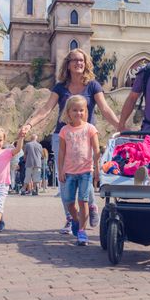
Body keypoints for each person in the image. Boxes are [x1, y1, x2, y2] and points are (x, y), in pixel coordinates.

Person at [21, 48, 119, 233]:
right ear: (68, 64)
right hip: (63, 136)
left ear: (86, 62)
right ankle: (70, 218)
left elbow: (105, 109)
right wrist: (29, 124)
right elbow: (46, 109)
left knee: (86, 176)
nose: (78, 63)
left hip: (86, 136)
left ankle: (91, 206)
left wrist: (119, 126)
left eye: (81, 60)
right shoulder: (60, 87)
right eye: (74, 60)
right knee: (64, 179)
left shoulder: (93, 86)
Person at [57, 95, 100, 246]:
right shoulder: (64, 130)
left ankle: (82, 231)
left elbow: (96, 150)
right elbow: (61, 152)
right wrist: (61, 170)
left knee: (83, 201)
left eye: (81, 110)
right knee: (69, 202)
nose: (78, 113)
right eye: (75, 110)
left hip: (85, 172)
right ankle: (75, 220)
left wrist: (97, 169)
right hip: (69, 172)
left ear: (86, 111)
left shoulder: (90, 128)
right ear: (68, 112)